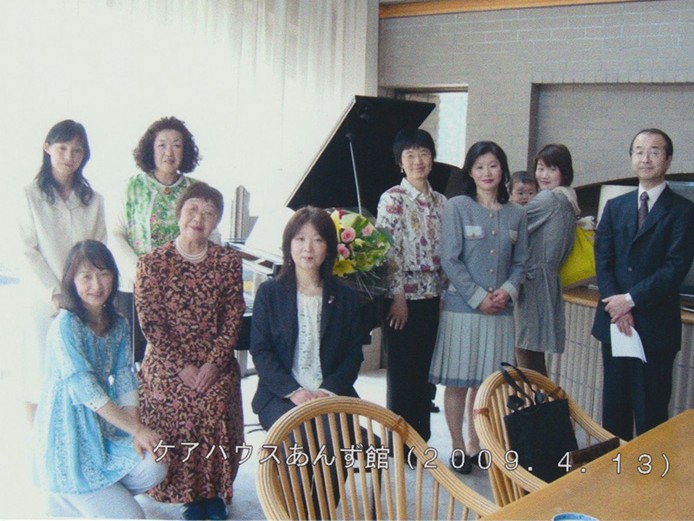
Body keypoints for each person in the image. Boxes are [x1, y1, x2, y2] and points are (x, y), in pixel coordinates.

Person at [33, 240, 167, 518]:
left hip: (103, 429)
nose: (96, 284)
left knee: (156, 461)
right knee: (134, 517)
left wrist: (135, 432)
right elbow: (86, 390)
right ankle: (68, 497)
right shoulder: (65, 325)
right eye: (86, 276)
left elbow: (125, 377)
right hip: (69, 434)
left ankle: (96, 499)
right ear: (72, 281)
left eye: (103, 274)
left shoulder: (118, 324)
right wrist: (137, 429)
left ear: (114, 277)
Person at [135, 183, 245, 520]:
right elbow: (151, 322)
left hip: (215, 360)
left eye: (209, 213)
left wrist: (213, 363)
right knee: (177, 400)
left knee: (215, 399)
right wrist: (182, 367)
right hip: (168, 362)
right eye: (192, 209)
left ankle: (211, 494)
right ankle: (184, 492)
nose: (199, 218)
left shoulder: (228, 261)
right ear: (179, 213)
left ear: (217, 222)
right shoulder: (152, 263)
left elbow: (233, 316)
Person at [429, 141, 528, 474]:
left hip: (501, 312)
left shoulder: (517, 213)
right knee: (458, 381)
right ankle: (457, 446)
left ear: (503, 170)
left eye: (493, 165)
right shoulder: (457, 206)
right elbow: (450, 258)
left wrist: (507, 292)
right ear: (470, 172)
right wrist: (477, 297)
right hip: (462, 309)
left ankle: (476, 443)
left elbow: (521, 262)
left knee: (486, 385)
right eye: (480, 166)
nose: (487, 173)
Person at [592, 128, 694, 441]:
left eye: (654, 151)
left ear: (668, 159)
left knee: (651, 414)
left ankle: (648, 472)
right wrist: (617, 305)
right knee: (614, 412)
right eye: (638, 151)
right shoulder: (615, 206)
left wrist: (630, 300)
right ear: (631, 158)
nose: (645, 158)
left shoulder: (683, 210)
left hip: (655, 327)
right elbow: (603, 260)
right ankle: (614, 470)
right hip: (615, 323)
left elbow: (674, 267)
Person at [18, 120, 106, 424]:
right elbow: (27, 250)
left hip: (84, 299)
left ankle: (74, 440)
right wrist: (55, 292)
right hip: (43, 300)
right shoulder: (29, 196)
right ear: (47, 148)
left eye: (77, 150)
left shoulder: (93, 200)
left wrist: (87, 292)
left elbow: (97, 250)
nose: (70, 156)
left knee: (80, 375)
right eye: (62, 148)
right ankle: (38, 443)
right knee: (38, 374)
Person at [110, 116, 213, 363]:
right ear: (151, 149)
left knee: (180, 358)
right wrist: (140, 273)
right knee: (135, 358)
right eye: (162, 145)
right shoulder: (132, 186)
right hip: (137, 286)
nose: (169, 152)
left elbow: (208, 234)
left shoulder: (196, 189)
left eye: (177, 145)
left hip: (184, 289)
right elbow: (116, 232)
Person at [250, 206, 363, 429]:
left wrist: (327, 390)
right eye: (300, 239)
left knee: (354, 443)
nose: (308, 248)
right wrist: (293, 391)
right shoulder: (270, 293)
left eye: (318, 240)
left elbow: (353, 355)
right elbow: (261, 351)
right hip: (281, 395)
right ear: (288, 244)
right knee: (305, 440)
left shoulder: (346, 296)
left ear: (329, 247)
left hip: (331, 394)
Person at [375, 128, 447, 443]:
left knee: (425, 372)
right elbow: (388, 251)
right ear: (400, 162)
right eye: (410, 155)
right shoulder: (393, 198)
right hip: (402, 298)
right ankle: (400, 443)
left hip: (434, 296)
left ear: (432, 158)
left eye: (424, 153)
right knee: (403, 373)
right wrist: (398, 297)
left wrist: (443, 295)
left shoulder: (442, 201)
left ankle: (421, 441)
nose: (418, 161)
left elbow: (448, 251)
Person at [514, 144, 580, 375]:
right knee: (531, 357)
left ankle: (538, 400)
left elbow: (512, 222)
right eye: (540, 168)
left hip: (532, 284)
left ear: (564, 172)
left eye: (552, 169)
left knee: (526, 360)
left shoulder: (550, 199)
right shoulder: (567, 199)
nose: (544, 175)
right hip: (545, 283)